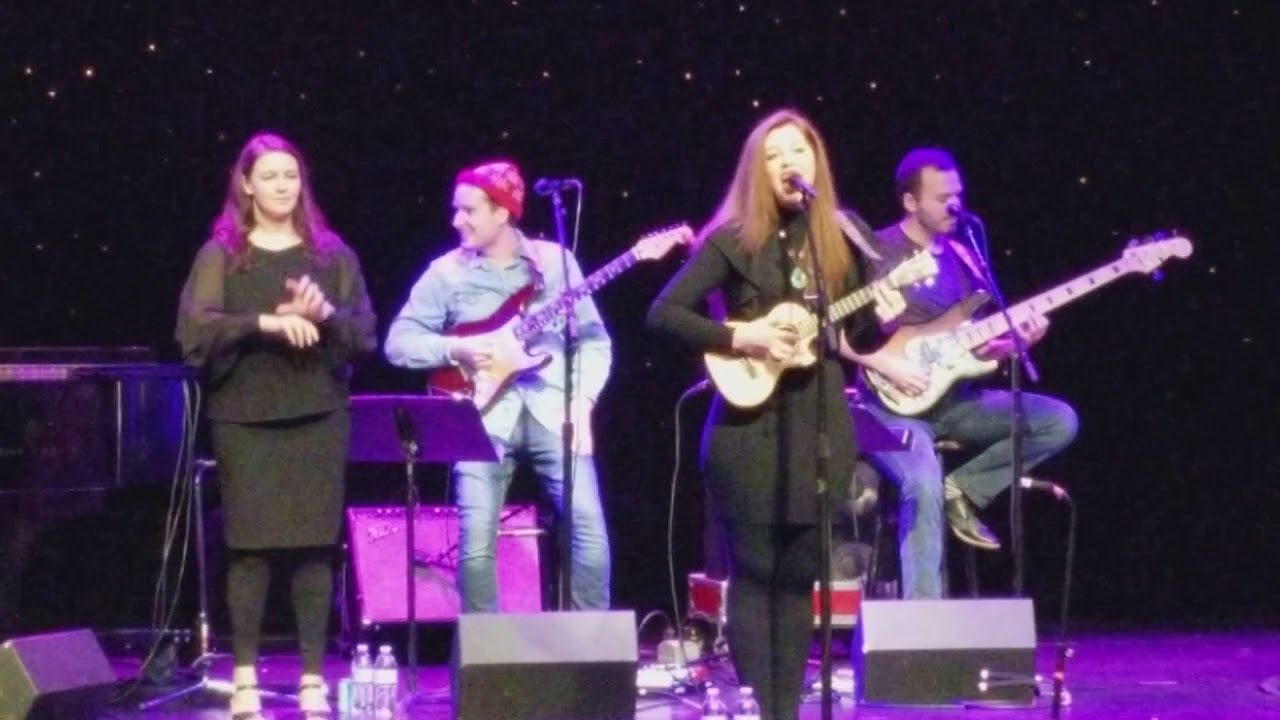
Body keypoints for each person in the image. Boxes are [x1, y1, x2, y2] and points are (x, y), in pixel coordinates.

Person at [647, 108, 900, 720]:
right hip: (748, 427)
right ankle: (768, 708)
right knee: (757, 573)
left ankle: (784, 711)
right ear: (757, 170)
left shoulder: (843, 235)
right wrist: (745, 338)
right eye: (775, 155)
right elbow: (665, 312)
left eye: (800, 151)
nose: (791, 163)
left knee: (801, 577)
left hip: (820, 421)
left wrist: (884, 313)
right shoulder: (734, 238)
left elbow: (857, 330)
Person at [175, 132, 377, 720]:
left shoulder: (331, 254)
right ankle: (243, 678)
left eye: (290, 175)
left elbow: (365, 334)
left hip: (318, 413)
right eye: (269, 176)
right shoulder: (223, 256)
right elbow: (195, 333)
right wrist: (265, 321)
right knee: (251, 550)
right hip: (245, 417)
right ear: (245, 184)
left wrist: (324, 313)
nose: (282, 186)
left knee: (316, 548)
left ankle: (314, 677)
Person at [849, 147, 1079, 599]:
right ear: (910, 202)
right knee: (921, 480)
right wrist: (880, 356)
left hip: (955, 403)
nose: (955, 205)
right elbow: (844, 331)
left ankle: (967, 489)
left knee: (1058, 420)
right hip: (887, 409)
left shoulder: (966, 257)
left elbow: (966, 347)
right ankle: (923, 627)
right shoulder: (874, 251)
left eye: (958, 195)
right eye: (941, 198)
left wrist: (1014, 343)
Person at [384, 159, 613, 613]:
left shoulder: (556, 263)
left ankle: (591, 646)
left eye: (468, 211)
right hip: (481, 418)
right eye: (456, 210)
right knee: (476, 539)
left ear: (502, 213)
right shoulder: (445, 273)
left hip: (553, 408)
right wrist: (457, 350)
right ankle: (487, 655)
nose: (456, 221)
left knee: (587, 526)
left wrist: (583, 399)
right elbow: (398, 343)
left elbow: (593, 342)